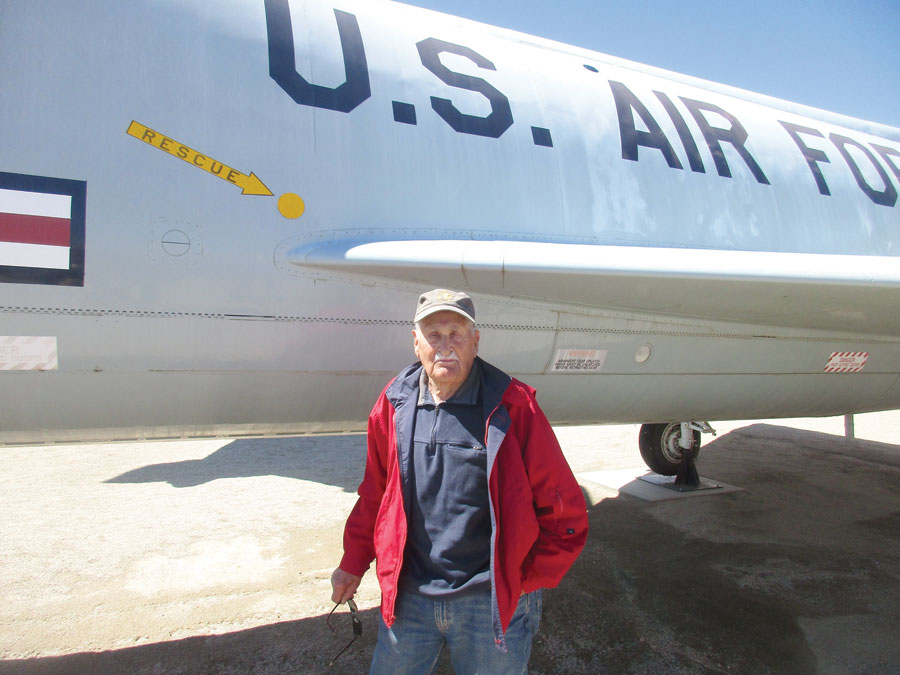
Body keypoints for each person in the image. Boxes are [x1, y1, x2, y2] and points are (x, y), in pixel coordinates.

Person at [330, 289, 588, 674]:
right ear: (416, 342)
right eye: (434, 335)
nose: (445, 346)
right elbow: (376, 494)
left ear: (476, 341)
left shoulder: (513, 405)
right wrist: (353, 561)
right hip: (410, 600)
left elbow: (563, 505)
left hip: (487, 603)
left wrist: (525, 579)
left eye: (457, 334)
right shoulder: (393, 403)